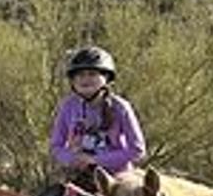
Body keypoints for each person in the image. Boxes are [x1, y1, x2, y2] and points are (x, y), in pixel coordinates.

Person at [48, 46, 147, 176]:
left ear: (106, 78)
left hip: (116, 178)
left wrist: (96, 160)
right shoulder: (68, 106)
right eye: (80, 75)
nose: (85, 79)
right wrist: (72, 158)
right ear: (72, 81)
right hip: (79, 175)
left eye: (92, 74)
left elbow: (137, 150)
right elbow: (56, 146)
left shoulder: (120, 107)